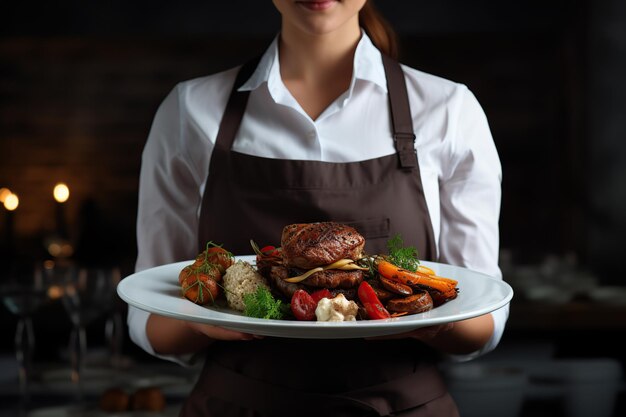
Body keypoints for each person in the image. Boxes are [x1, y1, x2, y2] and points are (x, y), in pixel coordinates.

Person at [128, 1, 508, 415]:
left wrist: (429, 320)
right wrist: (196, 322)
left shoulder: (449, 110)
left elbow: (484, 321)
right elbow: (149, 319)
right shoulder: (190, 111)